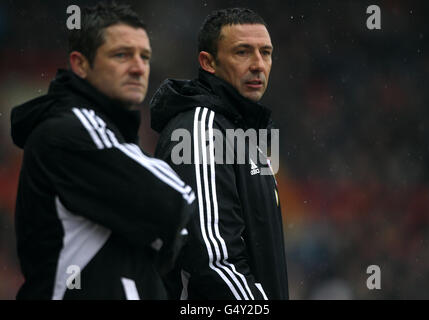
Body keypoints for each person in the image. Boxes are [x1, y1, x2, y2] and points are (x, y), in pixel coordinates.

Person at [10, 2, 195, 300]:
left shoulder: (110, 133)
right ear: (80, 64)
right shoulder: (68, 130)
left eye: (144, 57)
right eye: (121, 55)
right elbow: (176, 200)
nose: (138, 67)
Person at [150, 8, 288, 300]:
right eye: (242, 52)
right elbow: (213, 261)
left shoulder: (250, 135)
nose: (258, 64)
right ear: (208, 62)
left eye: (266, 52)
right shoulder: (200, 131)